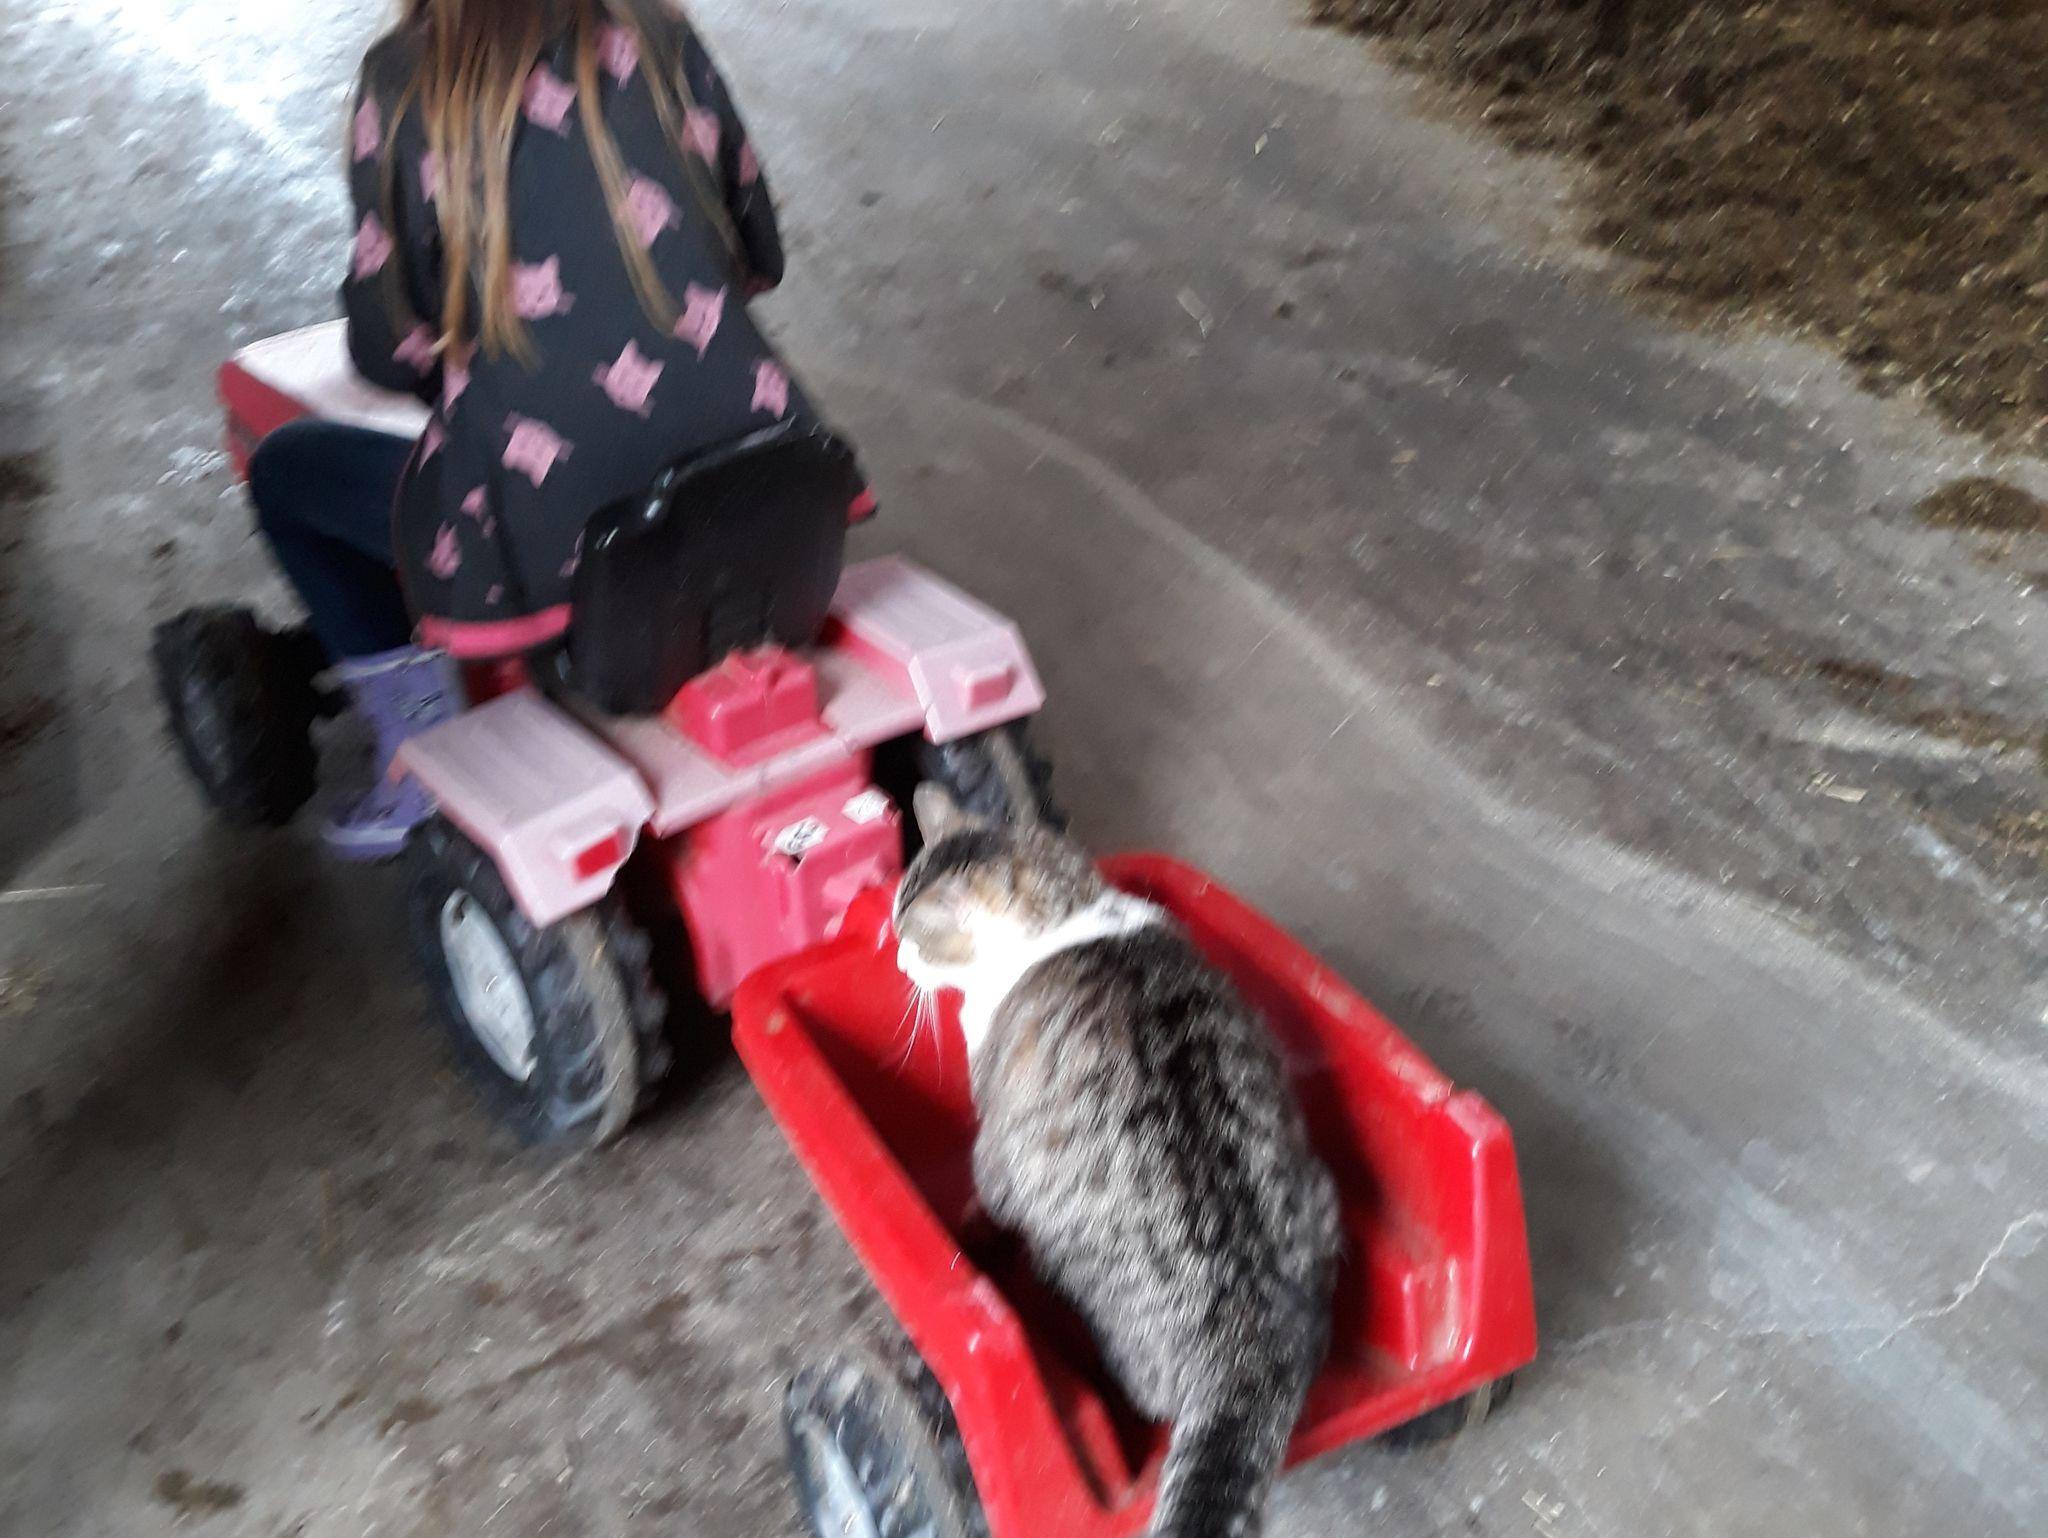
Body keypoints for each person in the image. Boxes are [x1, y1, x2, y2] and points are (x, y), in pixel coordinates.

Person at [250, 0, 821, 860]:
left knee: (286, 470)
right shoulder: (663, 34)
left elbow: (390, 346)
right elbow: (758, 253)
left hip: (557, 531)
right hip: (759, 467)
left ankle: (418, 735)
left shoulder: (403, 81)